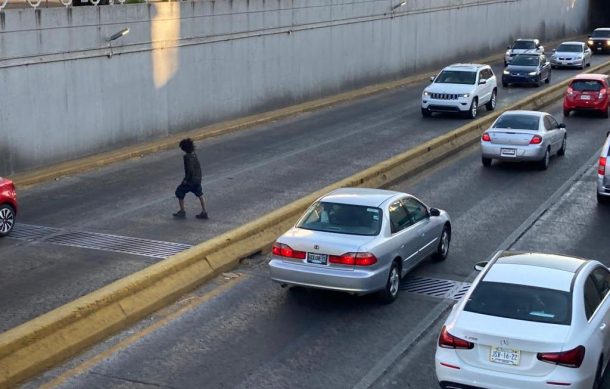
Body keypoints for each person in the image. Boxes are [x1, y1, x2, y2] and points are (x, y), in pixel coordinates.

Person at [173, 138, 208, 219]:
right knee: (200, 194)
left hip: (190, 181)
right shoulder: (194, 154)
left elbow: (189, 170)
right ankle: (204, 211)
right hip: (197, 180)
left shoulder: (187, 157)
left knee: (179, 192)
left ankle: (182, 211)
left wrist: (185, 180)